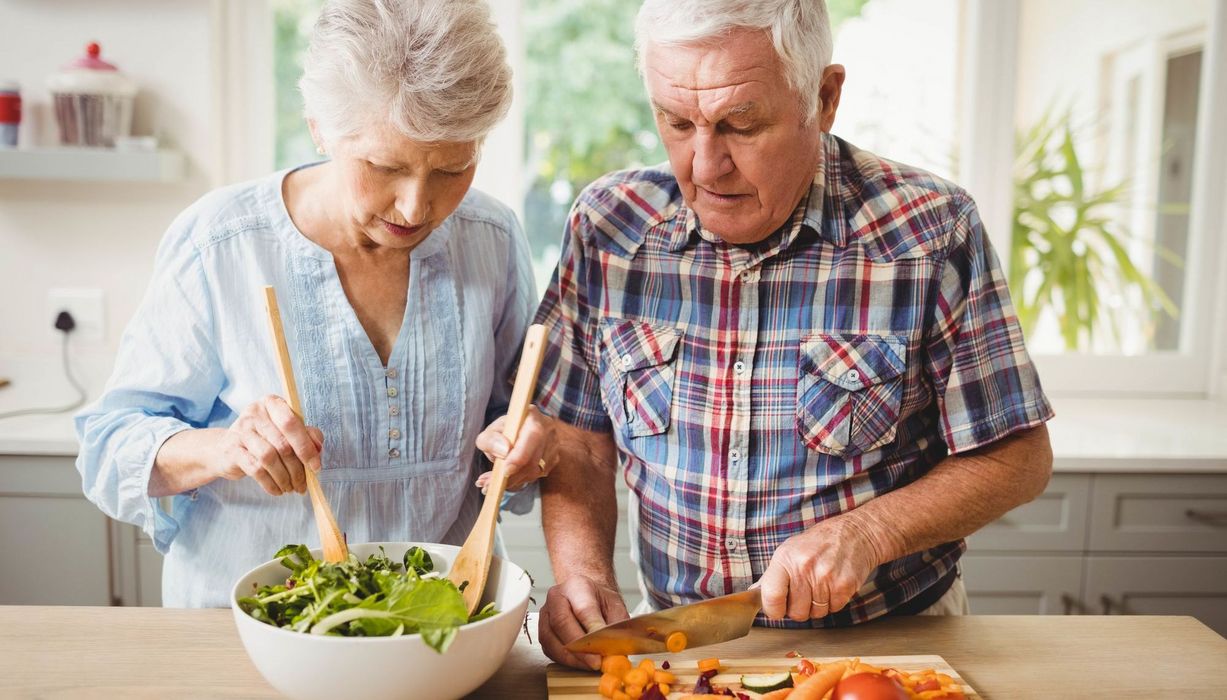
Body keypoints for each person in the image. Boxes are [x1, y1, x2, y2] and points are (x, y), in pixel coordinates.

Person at [477, 0, 1055, 669]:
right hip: (676, 638)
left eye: (740, 125)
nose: (703, 164)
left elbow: (1017, 456)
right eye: (675, 121)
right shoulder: (608, 226)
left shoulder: (928, 231)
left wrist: (868, 533)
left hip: (889, 641)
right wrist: (584, 577)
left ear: (825, 96)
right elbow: (576, 435)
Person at [76, 0, 545, 608]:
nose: (414, 208)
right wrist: (225, 449)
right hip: (246, 627)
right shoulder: (221, 243)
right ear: (321, 127)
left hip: (445, 626)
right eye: (384, 165)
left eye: (452, 170)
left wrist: (529, 444)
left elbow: (516, 421)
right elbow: (111, 445)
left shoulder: (493, 239)